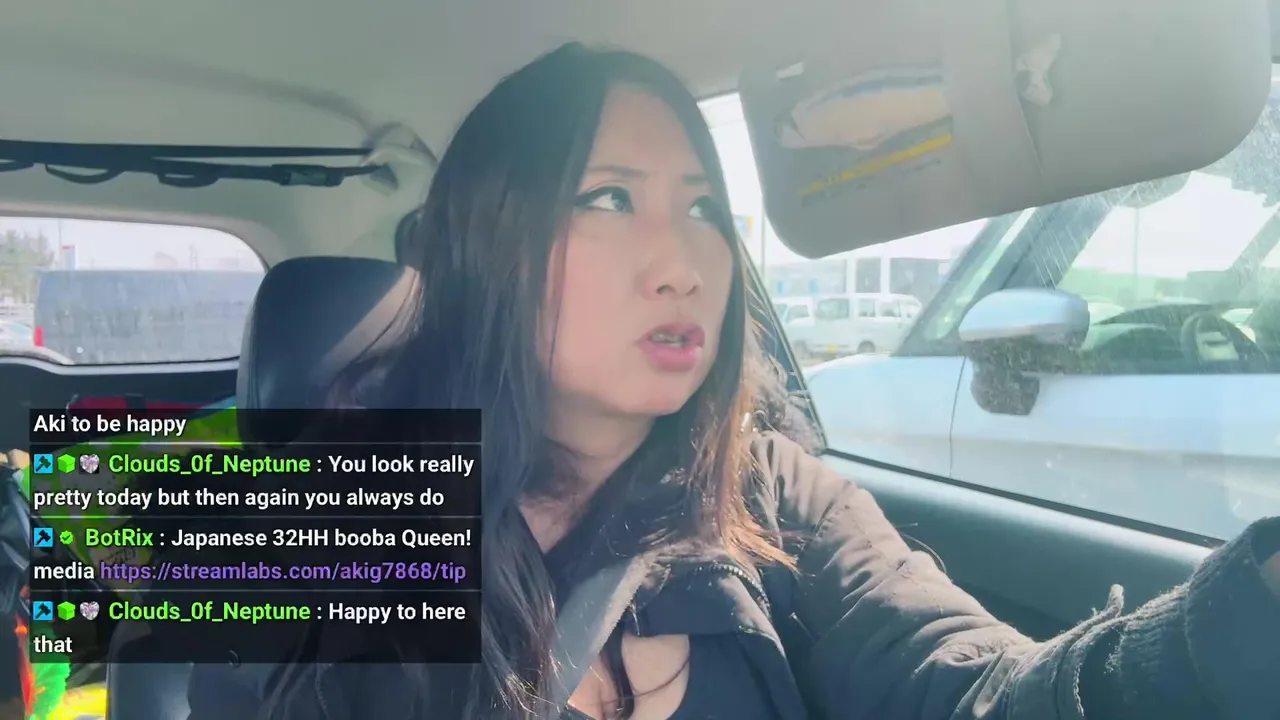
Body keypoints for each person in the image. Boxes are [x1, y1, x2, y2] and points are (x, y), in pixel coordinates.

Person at [187, 43, 1280, 719]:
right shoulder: (317, 514)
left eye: (703, 207)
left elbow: (978, 695)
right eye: (609, 198)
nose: (683, 262)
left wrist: (1247, 611)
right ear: (488, 247)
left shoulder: (773, 497)